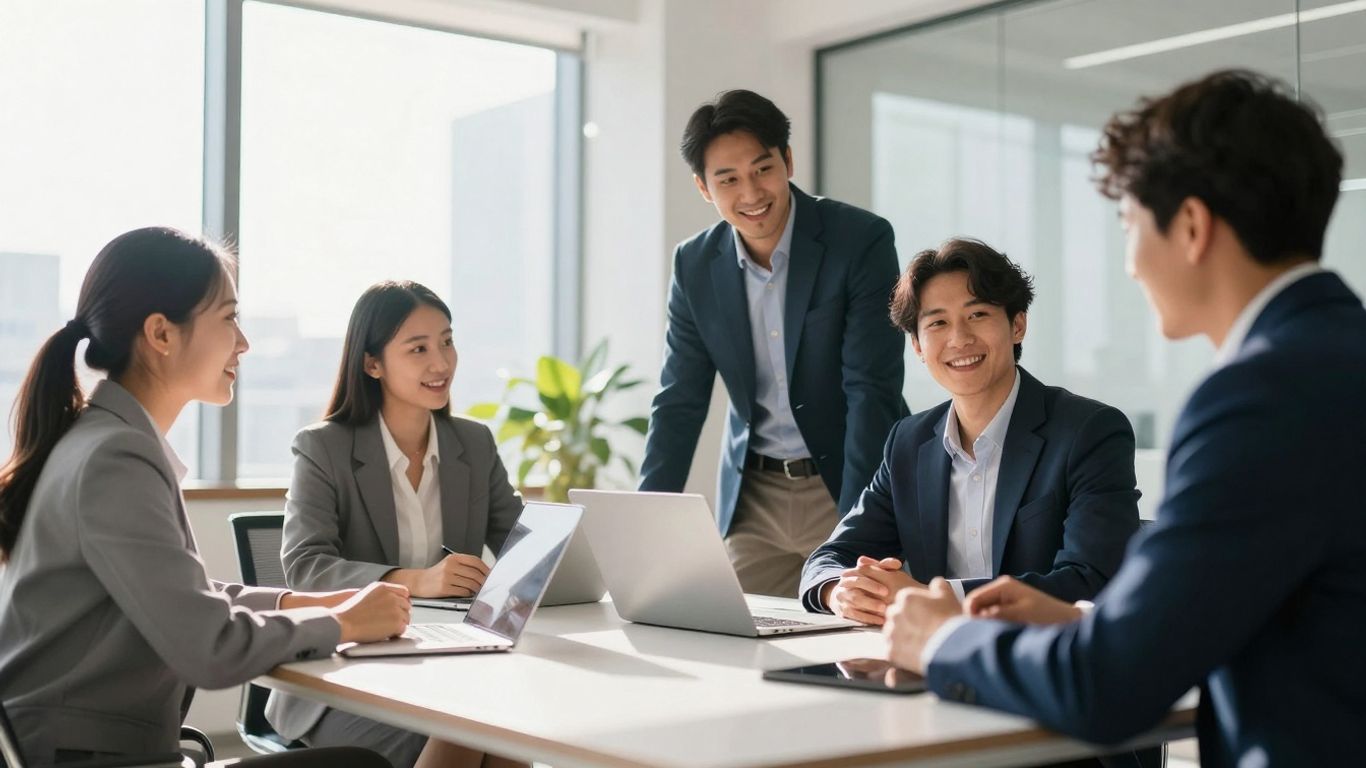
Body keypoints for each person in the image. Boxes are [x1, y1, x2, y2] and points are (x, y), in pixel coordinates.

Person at [882, 69, 1366, 765]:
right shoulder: (1336, 356)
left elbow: (1107, 688)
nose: (1131, 265)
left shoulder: (1258, 399)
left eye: (1131, 225)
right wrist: (1089, 620)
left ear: (1192, 226)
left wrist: (940, 639)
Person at [0, 227, 408, 767]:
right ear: (161, 334)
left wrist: (321, 602)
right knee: (361, 764)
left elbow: (188, 596)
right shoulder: (114, 457)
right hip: (89, 757)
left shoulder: (105, 439)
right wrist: (347, 624)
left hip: (82, 748)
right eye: (229, 318)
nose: (243, 343)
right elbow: (208, 647)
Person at [638, 89, 907, 597]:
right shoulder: (694, 264)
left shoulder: (859, 240)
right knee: (733, 644)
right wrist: (641, 530)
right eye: (728, 179)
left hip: (847, 483)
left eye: (762, 169)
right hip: (753, 497)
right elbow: (679, 400)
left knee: (853, 642)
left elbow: (871, 389)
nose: (751, 193)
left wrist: (858, 522)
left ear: (787, 160)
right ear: (703, 187)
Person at [801, 239, 1140, 624]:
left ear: (1017, 324)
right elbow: (829, 559)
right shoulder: (908, 443)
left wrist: (937, 597)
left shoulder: (1089, 432)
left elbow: (1092, 578)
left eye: (977, 314)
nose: (959, 339)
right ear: (917, 345)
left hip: (1041, 661)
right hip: (932, 660)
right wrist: (838, 590)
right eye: (938, 323)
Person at [264, 281, 525, 768]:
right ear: (372, 364)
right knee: (474, 727)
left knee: (506, 731)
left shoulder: (473, 442)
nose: (441, 363)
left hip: (450, 661)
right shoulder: (324, 447)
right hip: (344, 675)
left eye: (447, 341)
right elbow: (306, 566)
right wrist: (416, 581)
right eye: (419, 349)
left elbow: (520, 541)